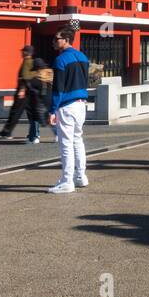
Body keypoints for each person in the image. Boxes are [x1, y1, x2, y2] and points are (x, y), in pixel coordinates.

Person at [47, 30, 90, 194]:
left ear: (65, 40)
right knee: (78, 140)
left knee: (66, 143)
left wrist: (52, 110)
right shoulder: (83, 57)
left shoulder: (60, 59)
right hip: (81, 104)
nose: (53, 42)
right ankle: (81, 176)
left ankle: (67, 180)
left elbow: (58, 88)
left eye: (55, 39)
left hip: (67, 105)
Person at [0, 45, 47, 143]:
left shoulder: (27, 62)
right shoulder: (32, 63)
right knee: (31, 114)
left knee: (17, 112)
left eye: (23, 51)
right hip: (30, 92)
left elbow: (25, 77)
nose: (21, 53)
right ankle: (33, 133)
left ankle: (8, 132)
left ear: (27, 53)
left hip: (24, 93)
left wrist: (21, 90)